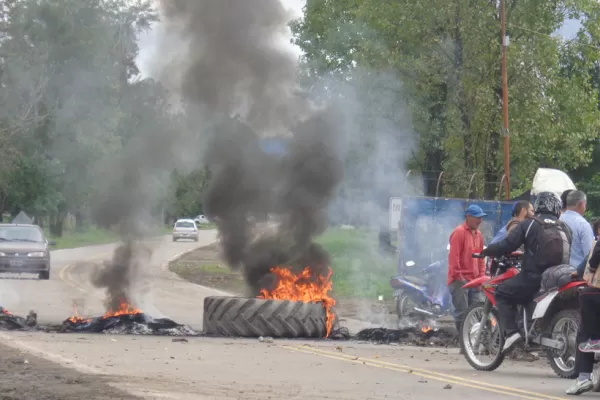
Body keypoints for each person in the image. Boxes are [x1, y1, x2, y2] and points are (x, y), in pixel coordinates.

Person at [481, 192, 572, 353]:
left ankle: (511, 333)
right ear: (556, 208)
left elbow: (507, 245)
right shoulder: (564, 227)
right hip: (557, 278)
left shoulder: (530, 224)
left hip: (533, 277)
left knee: (501, 292)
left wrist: (487, 251)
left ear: (538, 206)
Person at [565, 240, 600, 395]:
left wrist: (590, 268)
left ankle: (584, 377)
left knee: (586, 334)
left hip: (596, 291)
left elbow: (594, 257)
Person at [447, 205, 486, 336]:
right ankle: (464, 343)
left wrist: (481, 278)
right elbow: (454, 258)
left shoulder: (479, 235)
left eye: (481, 218)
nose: (480, 220)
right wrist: (460, 278)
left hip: (474, 281)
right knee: (462, 313)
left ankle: (474, 341)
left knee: (478, 312)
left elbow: (481, 258)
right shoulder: (459, 233)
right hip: (460, 281)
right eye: (478, 217)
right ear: (468, 217)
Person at [560, 190, 594, 276]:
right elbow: (590, 255)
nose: (585, 208)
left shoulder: (557, 220)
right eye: (585, 205)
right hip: (576, 274)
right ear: (581, 204)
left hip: (555, 272)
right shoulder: (583, 224)